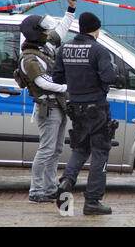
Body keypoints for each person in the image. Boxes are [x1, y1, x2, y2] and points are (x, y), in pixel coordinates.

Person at [15, 0, 79, 203]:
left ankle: (50, 187)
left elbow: (61, 29)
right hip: (47, 107)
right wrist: (68, 87)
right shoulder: (29, 58)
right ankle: (36, 190)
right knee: (46, 150)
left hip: (57, 106)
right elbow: (43, 83)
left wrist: (71, 8)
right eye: (43, 31)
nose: (47, 33)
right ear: (35, 34)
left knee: (56, 149)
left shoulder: (45, 46)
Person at [53, 12, 119, 215]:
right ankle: (92, 201)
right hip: (96, 108)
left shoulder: (65, 48)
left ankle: (66, 182)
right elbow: (109, 77)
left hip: (75, 108)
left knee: (80, 150)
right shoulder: (98, 50)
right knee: (100, 152)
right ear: (96, 29)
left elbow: (57, 77)